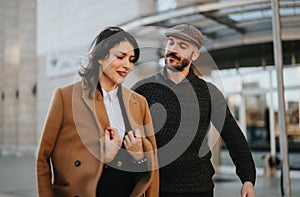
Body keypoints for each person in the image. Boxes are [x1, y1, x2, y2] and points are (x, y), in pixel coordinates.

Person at [132, 24, 256, 197]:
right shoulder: (142, 89)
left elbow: (233, 136)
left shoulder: (209, 93)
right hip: (156, 188)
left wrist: (248, 180)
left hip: (199, 188)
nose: (173, 49)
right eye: (171, 43)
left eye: (182, 46)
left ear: (195, 54)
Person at [36, 27, 159, 197]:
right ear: (100, 57)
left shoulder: (139, 103)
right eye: (120, 57)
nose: (127, 65)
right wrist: (103, 156)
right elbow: (43, 157)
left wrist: (140, 157)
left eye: (131, 60)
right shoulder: (65, 97)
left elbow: (153, 162)